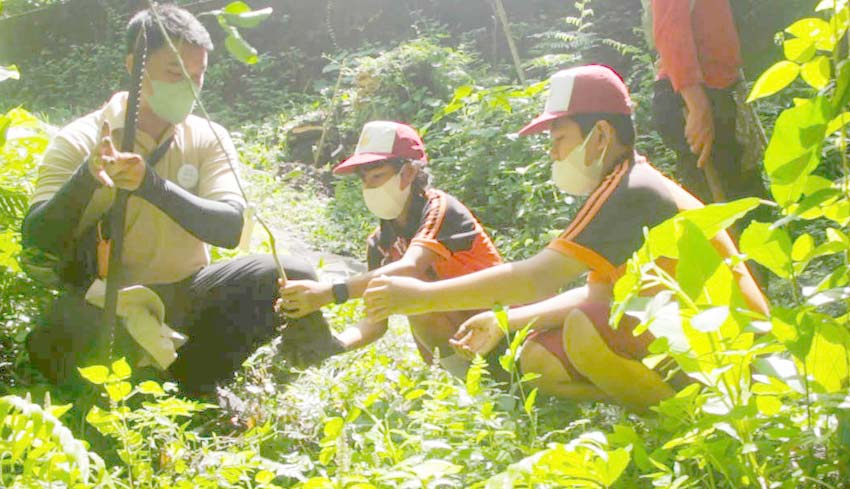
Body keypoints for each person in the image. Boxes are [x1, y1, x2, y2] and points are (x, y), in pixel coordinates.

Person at [362, 65, 769, 411]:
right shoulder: (623, 184)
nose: (553, 153)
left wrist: (418, 297)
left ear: (602, 135)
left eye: (559, 139)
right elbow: (599, 295)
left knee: (583, 329)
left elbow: (535, 279)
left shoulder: (633, 190)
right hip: (708, 338)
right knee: (539, 361)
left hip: (728, 347)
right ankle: (656, 400)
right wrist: (505, 320)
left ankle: (690, 420)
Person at [22, 4, 334, 396]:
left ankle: (193, 378)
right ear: (135, 66)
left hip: (190, 294)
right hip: (108, 301)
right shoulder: (81, 139)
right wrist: (86, 178)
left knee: (291, 272)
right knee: (52, 341)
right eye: (175, 73)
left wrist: (150, 184)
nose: (188, 85)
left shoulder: (207, 136)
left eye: (198, 75)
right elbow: (36, 239)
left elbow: (228, 225)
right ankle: (159, 382)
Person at [277, 121, 502, 377]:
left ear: (407, 174)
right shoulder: (380, 242)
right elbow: (375, 322)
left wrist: (329, 293)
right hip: (455, 343)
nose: (369, 187)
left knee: (409, 288)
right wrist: (335, 345)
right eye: (364, 180)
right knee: (402, 292)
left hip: (500, 326)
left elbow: (410, 267)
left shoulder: (441, 209)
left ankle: (477, 383)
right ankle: (462, 382)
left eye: (377, 176)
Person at [648, 0, 769, 207]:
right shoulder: (697, 103)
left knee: (745, 200)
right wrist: (697, 106)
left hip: (716, 93)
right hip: (698, 98)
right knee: (720, 207)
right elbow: (671, 29)